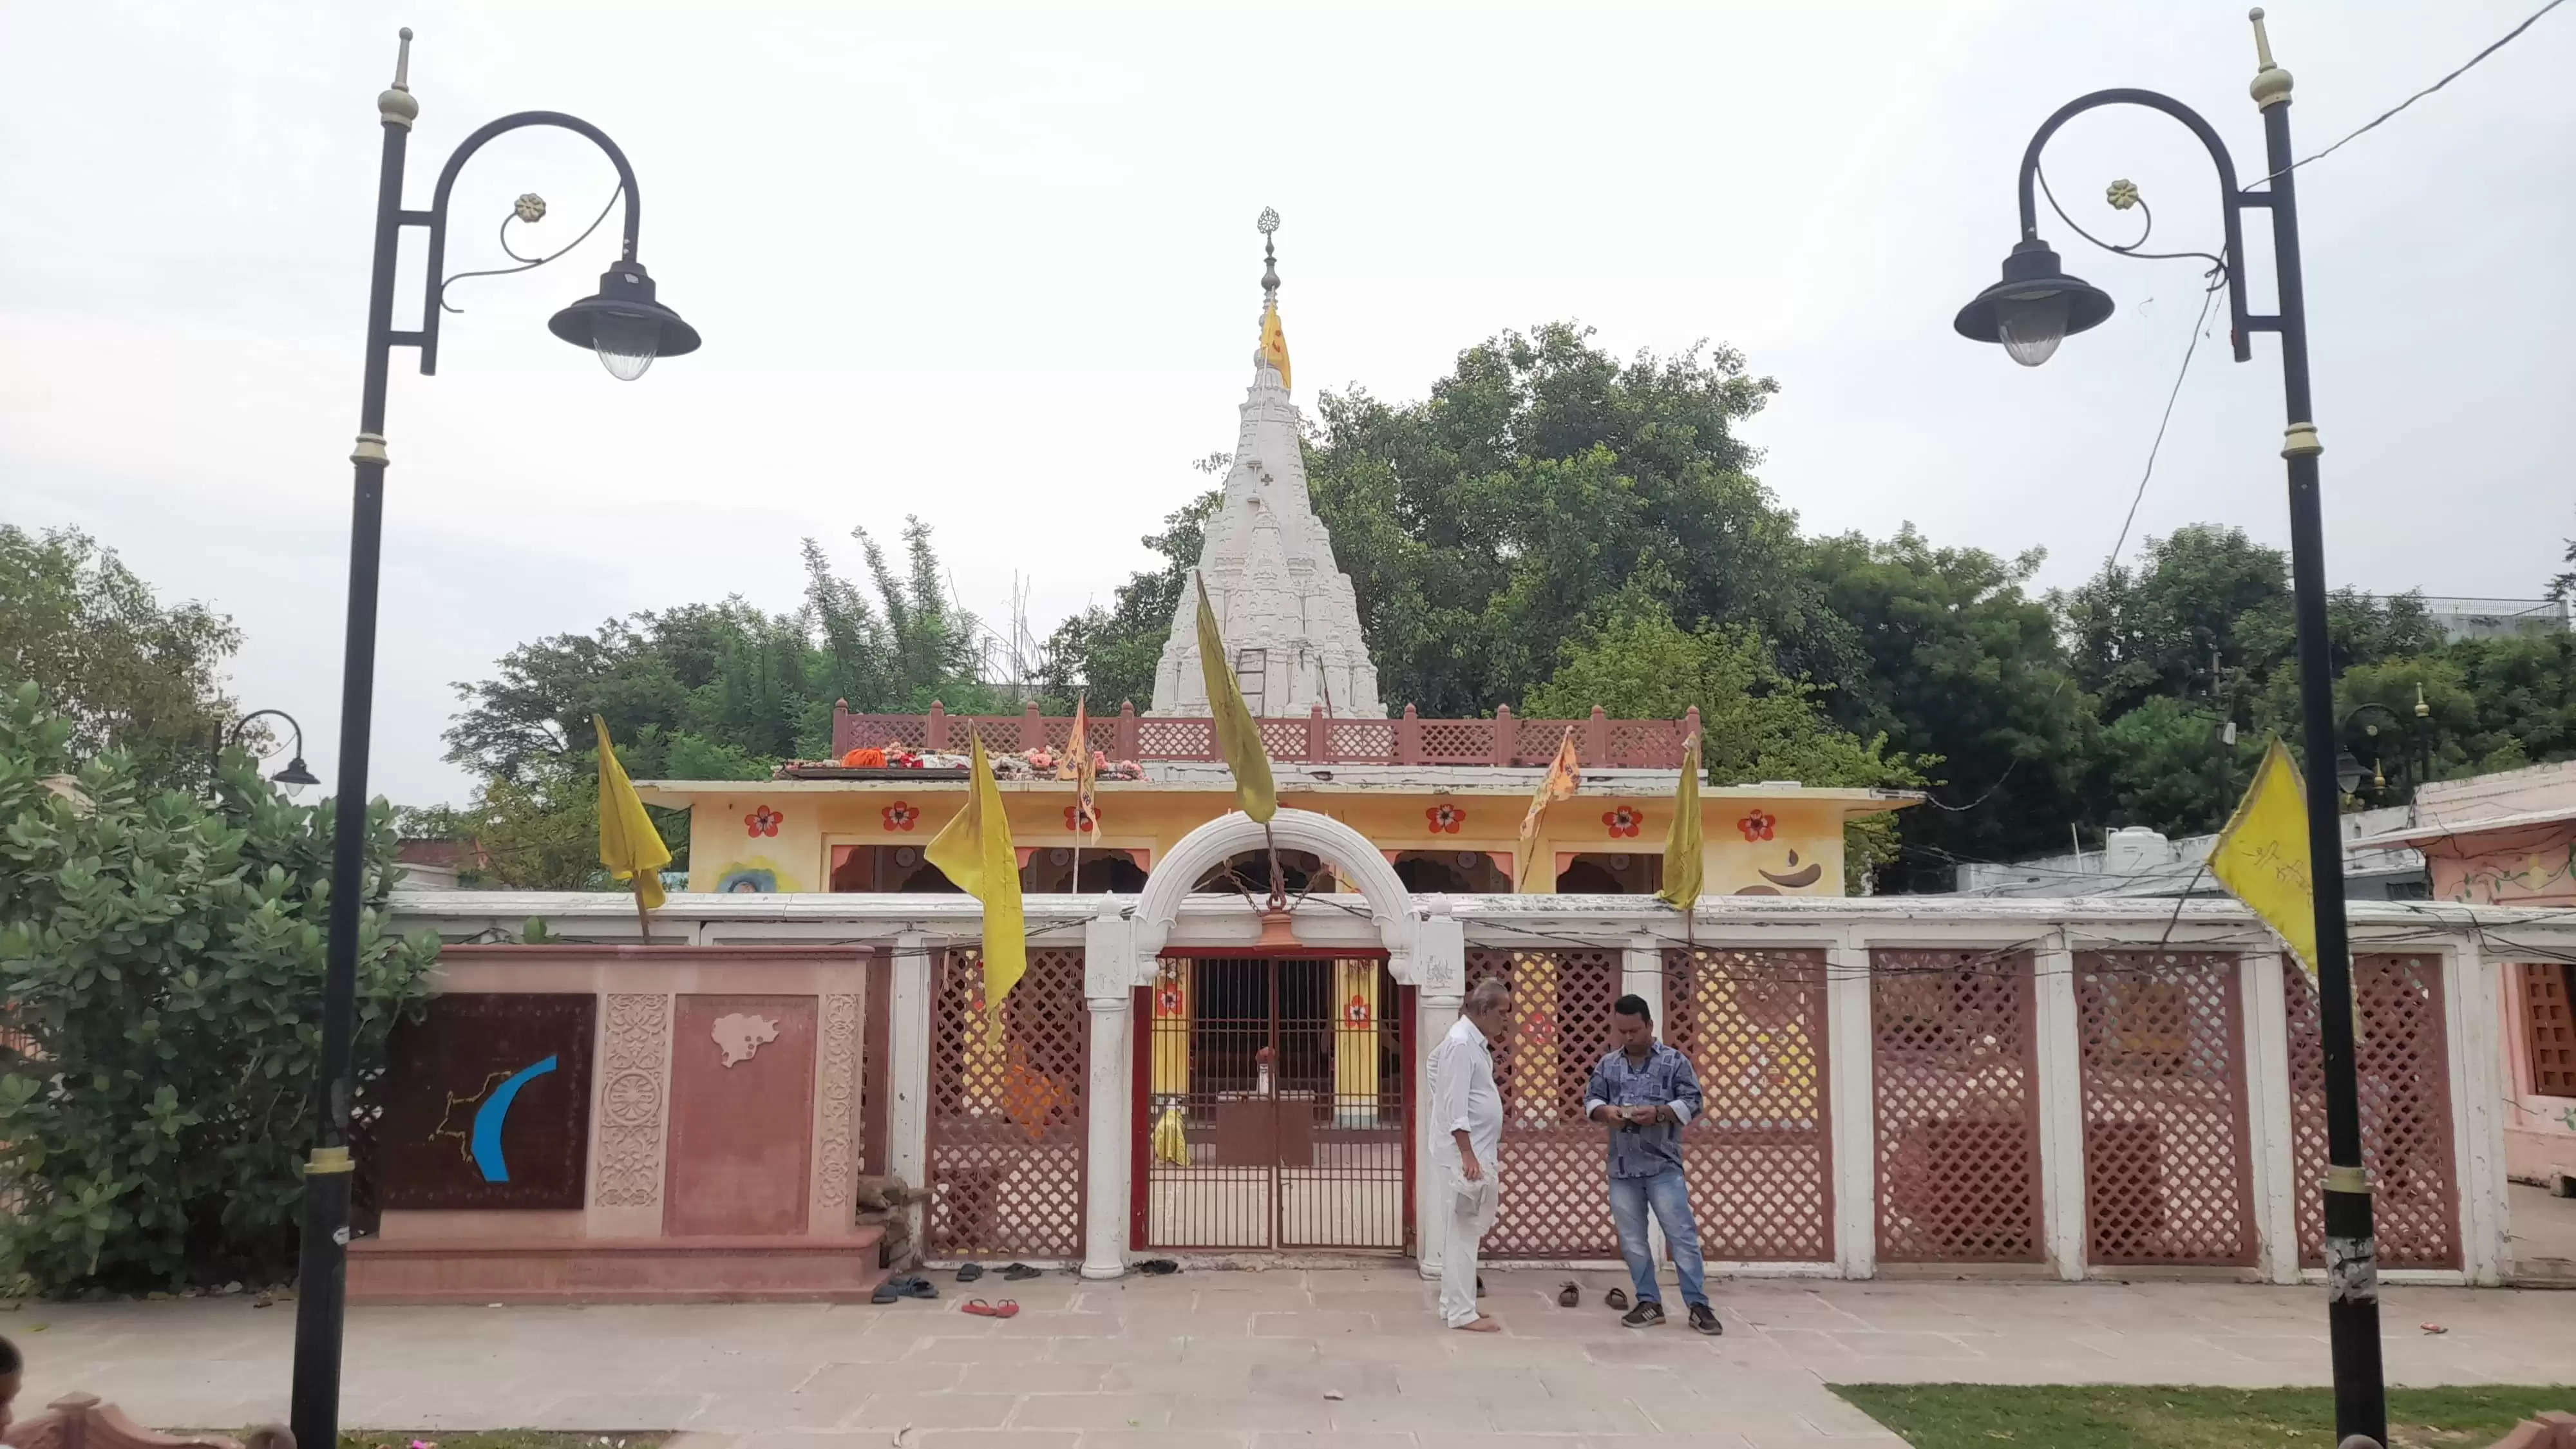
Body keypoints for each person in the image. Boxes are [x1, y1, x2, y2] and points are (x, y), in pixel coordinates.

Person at [1584, 992, 1721, 1334]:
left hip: (1663, 1167)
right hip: (1622, 1169)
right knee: (1632, 1240)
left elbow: (1694, 1102)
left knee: (1682, 1237)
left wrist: (1659, 1113)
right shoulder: (1609, 1064)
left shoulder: (1675, 1063)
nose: (1628, 1038)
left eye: (1634, 1031)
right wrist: (1607, 1113)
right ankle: (1648, 1302)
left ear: (1649, 1025)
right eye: (1623, 1032)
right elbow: (1592, 1100)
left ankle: (1698, 1305)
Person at [1429, 976, 1510, 1332]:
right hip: (1467, 1155)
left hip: (1471, 1150)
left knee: (1459, 1230)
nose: (1505, 1020)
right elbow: (1456, 1103)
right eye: (1502, 1013)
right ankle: (1463, 1313)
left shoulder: (1466, 1041)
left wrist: (1443, 1101)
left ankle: (1452, 1305)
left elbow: (1435, 1067)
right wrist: (1467, 1151)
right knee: (1465, 1231)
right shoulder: (1462, 1043)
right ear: (1483, 1010)